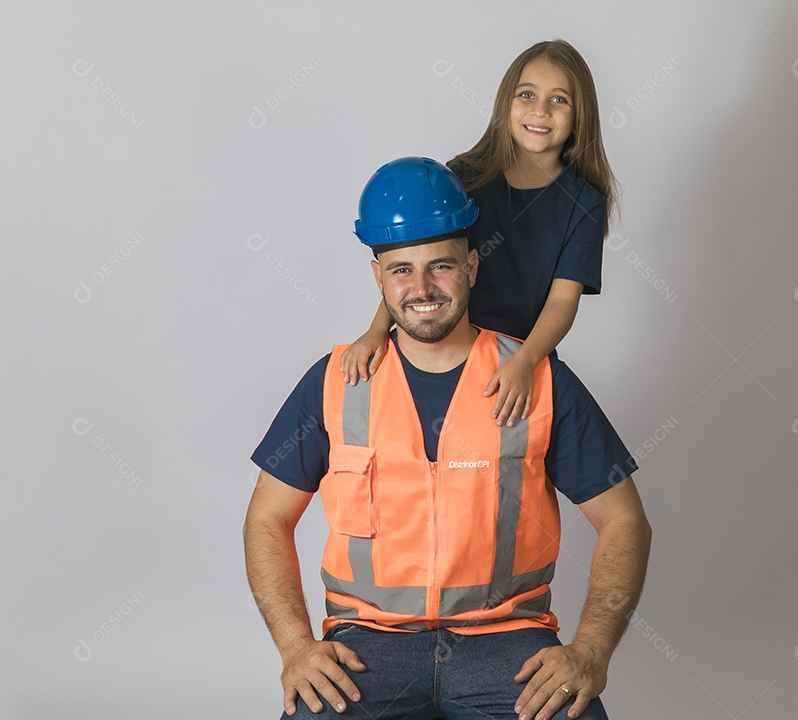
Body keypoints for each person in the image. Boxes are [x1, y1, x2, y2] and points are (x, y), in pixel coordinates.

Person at [244, 157, 651, 720]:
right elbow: (266, 518)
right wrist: (295, 647)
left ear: (472, 268)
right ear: (378, 278)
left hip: (508, 643)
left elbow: (624, 520)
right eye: (402, 270)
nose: (422, 288)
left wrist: (590, 652)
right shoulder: (336, 383)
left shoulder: (538, 380)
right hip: (366, 649)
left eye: (441, 266)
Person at [342, 40, 616, 430]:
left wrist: (524, 362)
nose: (540, 110)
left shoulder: (584, 203)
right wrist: (375, 331)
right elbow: (416, 269)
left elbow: (562, 301)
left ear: (580, 115)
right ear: (507, 103)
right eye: (527, 95)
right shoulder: (464, 177)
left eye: (559, 100)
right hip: (448, 348)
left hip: (519, 360)